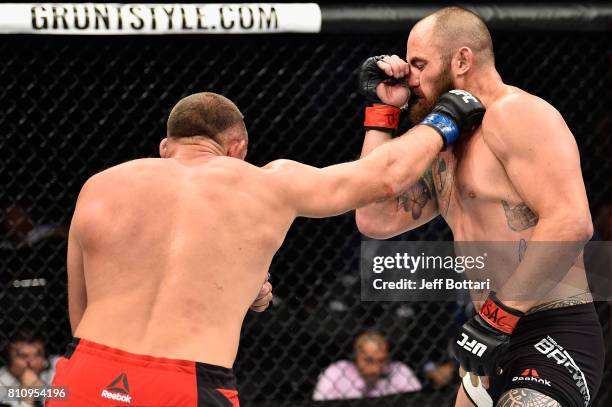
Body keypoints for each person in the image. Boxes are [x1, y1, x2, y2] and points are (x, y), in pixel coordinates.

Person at [47, 90, 484, 406]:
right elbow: (383, 178)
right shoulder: (265, 183)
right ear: (238, 150)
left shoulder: (98, 186)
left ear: (165, 147)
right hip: (185, 384)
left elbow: (80, 313)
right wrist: (445, 117)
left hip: (87, 370)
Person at [355, 6, 604, 407]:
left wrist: (498, 318)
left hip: (549, 330)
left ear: (462, 59)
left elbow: (571, 222)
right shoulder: (443, 142)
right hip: (487, 338)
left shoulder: (516, 114)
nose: (410, 76)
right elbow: (374, 217)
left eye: (419, 64)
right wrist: (383, 115)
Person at [313, 330, 421, 400]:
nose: (376, 369)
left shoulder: (400, 371)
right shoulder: (335, 373)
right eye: (369, 361)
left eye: (382, 360)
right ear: (355, 357)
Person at [0, 328, 59, 406]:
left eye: (38, 355)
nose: (32, 363)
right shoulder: (2, 381)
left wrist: (43, 392)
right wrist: (27, 395)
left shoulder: (57, 366)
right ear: (8, 358)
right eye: (23, 356)